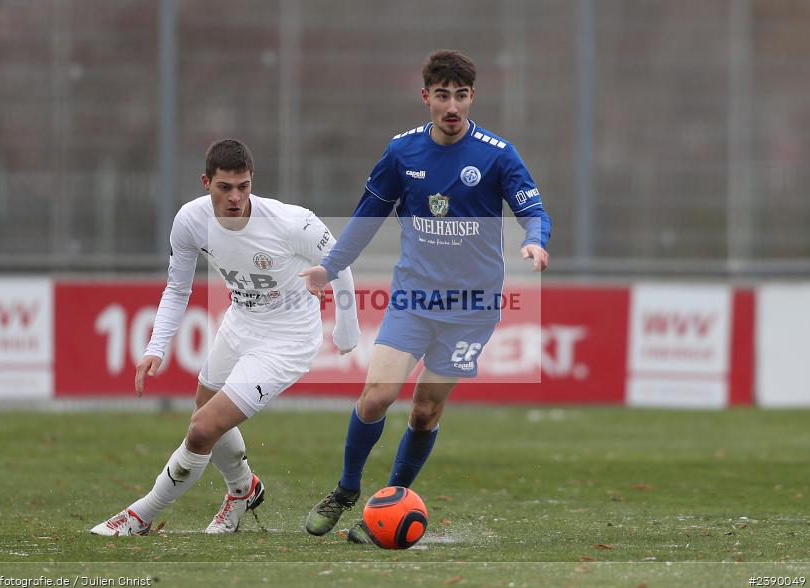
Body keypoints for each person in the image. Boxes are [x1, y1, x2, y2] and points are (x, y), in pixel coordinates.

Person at [301, 50, 551, 543]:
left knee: (424, 412)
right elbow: (368, 215)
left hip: (472, 311)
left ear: (472, 97)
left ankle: (387, 505)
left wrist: (536, 240)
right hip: (413, 300)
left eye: (461, 95)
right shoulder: (402, 152)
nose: (452, 106)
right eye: (442, 95)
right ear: (426, 97)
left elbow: (534, 210)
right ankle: (346, 489)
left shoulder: (498, 154)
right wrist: (328, 268)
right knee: (376, 397)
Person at [91, 139, 360, 536]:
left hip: (287, 338)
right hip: (239, 323)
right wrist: (156, 347)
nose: (235, 197)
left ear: (252, 181)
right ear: (206, 183)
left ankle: (138, 516)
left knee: (202, 429)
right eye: (225, 187)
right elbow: (177, 288)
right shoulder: (190, 221)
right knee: (204, 413)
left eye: (243, 186)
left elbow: (340, 263)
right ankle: (243, 489)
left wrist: (346, 329)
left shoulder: (291, 222)